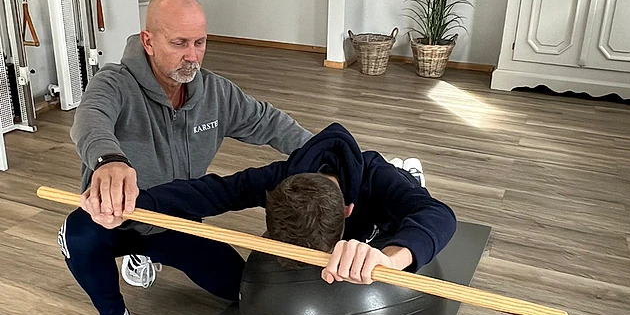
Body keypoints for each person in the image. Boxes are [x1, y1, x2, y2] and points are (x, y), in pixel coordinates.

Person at [61, 0, 311, 315]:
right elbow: (90, 120)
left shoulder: (215, 93)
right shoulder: (114, 82)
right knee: (77, 235)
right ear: (149, 41)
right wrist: (109, 160)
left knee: (241, 289)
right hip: (114, 218)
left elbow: (270, 123)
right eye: (179, 43)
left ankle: (146, 253)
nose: (192, 56)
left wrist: (327, 157)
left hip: (174, 218)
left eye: (200, 42)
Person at [85, 122, 457, 292]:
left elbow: (440, 215)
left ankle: (409, 171)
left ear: (347, 211)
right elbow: (209, 192)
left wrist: (390, 260)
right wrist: (131, 205)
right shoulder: (278, 179)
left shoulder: (376, 179)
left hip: (382, 204)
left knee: (404, 210)